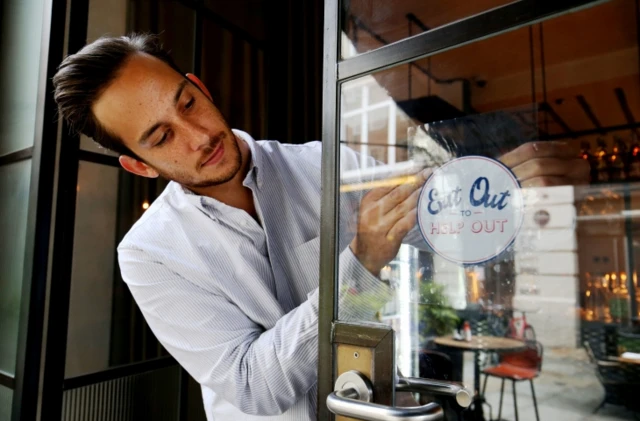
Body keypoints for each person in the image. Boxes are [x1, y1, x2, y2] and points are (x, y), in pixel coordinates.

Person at [52, 34, 589, 420]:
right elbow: (253, 387)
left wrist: (504, 189)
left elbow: (441, 228)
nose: (197, 136)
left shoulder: (329, 166)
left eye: (187, 103)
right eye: (161, 137)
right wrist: (359, 264)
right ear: (139, 165)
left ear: (198, 85)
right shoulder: (149, 253)